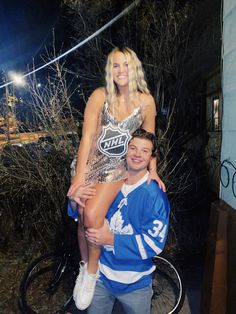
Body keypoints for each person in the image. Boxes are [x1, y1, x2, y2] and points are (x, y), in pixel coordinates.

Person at [67, 47, 166, 310]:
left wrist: (153, 170)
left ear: (135, 69)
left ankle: (92, 273)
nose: (121, 71)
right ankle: (84, 267)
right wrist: (78, 180)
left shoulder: (146, 102)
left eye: (126, 65)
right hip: (88, 164)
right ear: (110, 70)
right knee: (80, 211)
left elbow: (149, 140)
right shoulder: (100, 96)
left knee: (91, 217)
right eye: (115, 65)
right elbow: (87, 137)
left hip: (115, 168)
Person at [85, 129, 170, 314]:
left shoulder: (154, 195)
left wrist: (111, 239)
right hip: (101, 278)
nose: (137, 154)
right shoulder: (108, 185)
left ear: (151, 157)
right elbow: (81, 212)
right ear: (125, 150)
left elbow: (154, 244)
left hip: (136, 285)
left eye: (145, 150)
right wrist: (76, 197)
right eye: (133, 148)